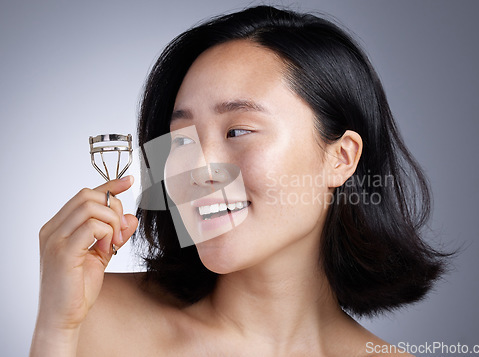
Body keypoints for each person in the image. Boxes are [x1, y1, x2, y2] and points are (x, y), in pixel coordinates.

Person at [30, 6, 448, 356]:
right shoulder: (93, 318)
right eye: (180, 139)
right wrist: (56, 330)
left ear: (340, 158)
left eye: (237, 132)